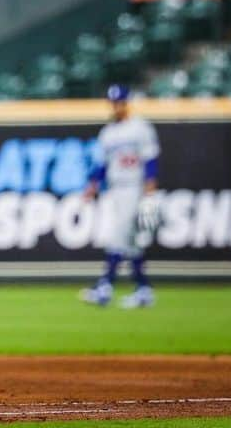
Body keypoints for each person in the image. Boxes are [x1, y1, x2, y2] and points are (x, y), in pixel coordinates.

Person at [79, 84, 161, 309]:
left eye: (119, 102)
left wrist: (150, 189)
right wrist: (92, 186)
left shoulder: (141, 128)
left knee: (118, 235)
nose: (116, 106)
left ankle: (105, 286)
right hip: (115, 187)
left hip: (135, 186)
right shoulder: (108, 132)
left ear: (127, 102)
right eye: (113, 102)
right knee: (132, 243)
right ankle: (144, 289)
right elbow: (102, 164)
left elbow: (150, 160)